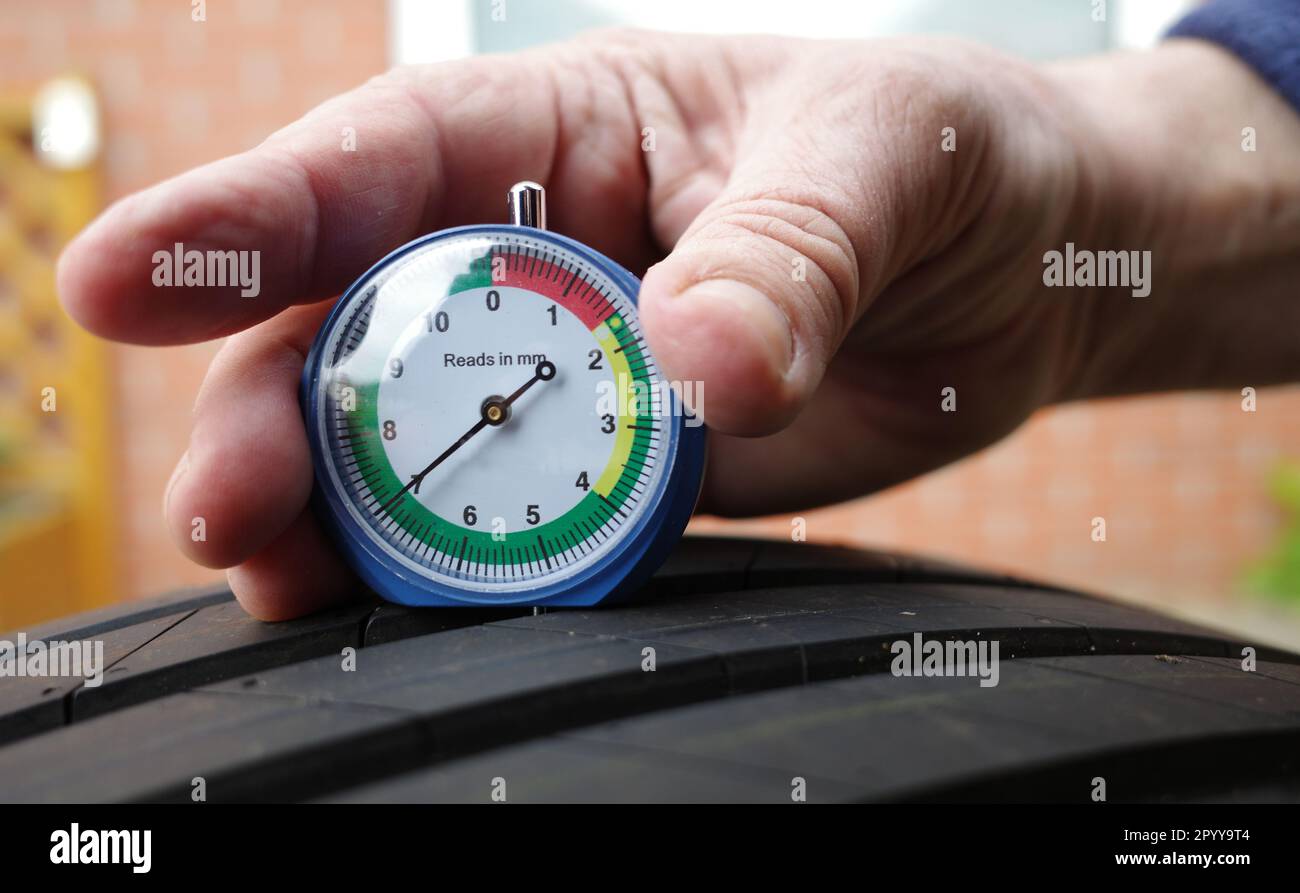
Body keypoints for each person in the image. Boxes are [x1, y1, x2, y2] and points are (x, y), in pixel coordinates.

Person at [56, 8, 1300, 620]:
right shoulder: (396, 365)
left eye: (522, 387)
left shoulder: (667, 331)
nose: (498, 401)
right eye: (479, 394)